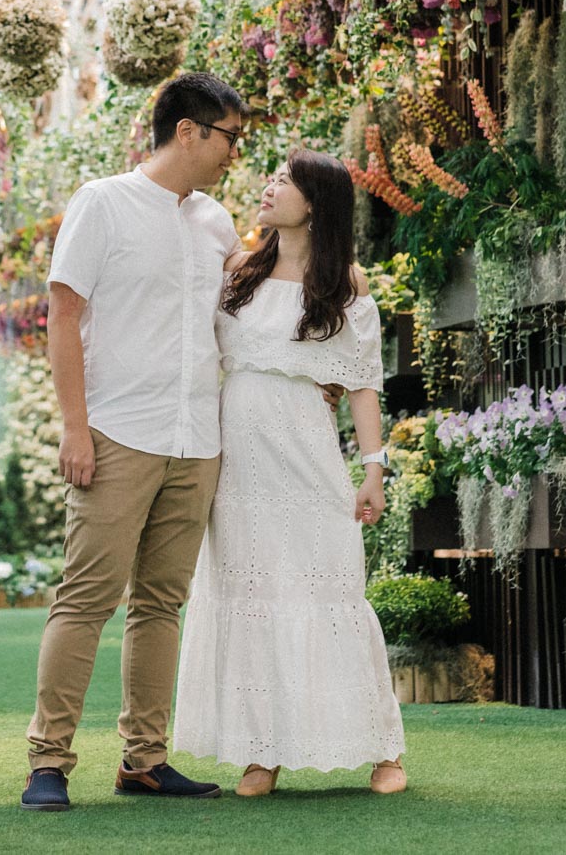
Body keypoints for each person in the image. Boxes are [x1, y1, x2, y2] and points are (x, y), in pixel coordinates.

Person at [21, 71, 247, 811]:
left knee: (161, 605)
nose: (233, 153)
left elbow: (254, 302)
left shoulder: (215, 221)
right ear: (189, 131)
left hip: (197, 437)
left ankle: (145, 760)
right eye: (229, 138)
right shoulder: (102, 203)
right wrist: (75, 427)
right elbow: (61, 315)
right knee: (85, 599)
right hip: (118, 432)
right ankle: (48, 762)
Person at [173, 148, 407, 796]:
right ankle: (261, 752)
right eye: (272, 178)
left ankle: (383, 751)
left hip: (306, 456)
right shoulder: (238, 271)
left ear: (318, 203)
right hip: (236, 461)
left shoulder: (346, 284)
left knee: (328, 594)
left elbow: (362, 385)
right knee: (250, 600)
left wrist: (373, 472)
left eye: (286, 181)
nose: (270, 188)